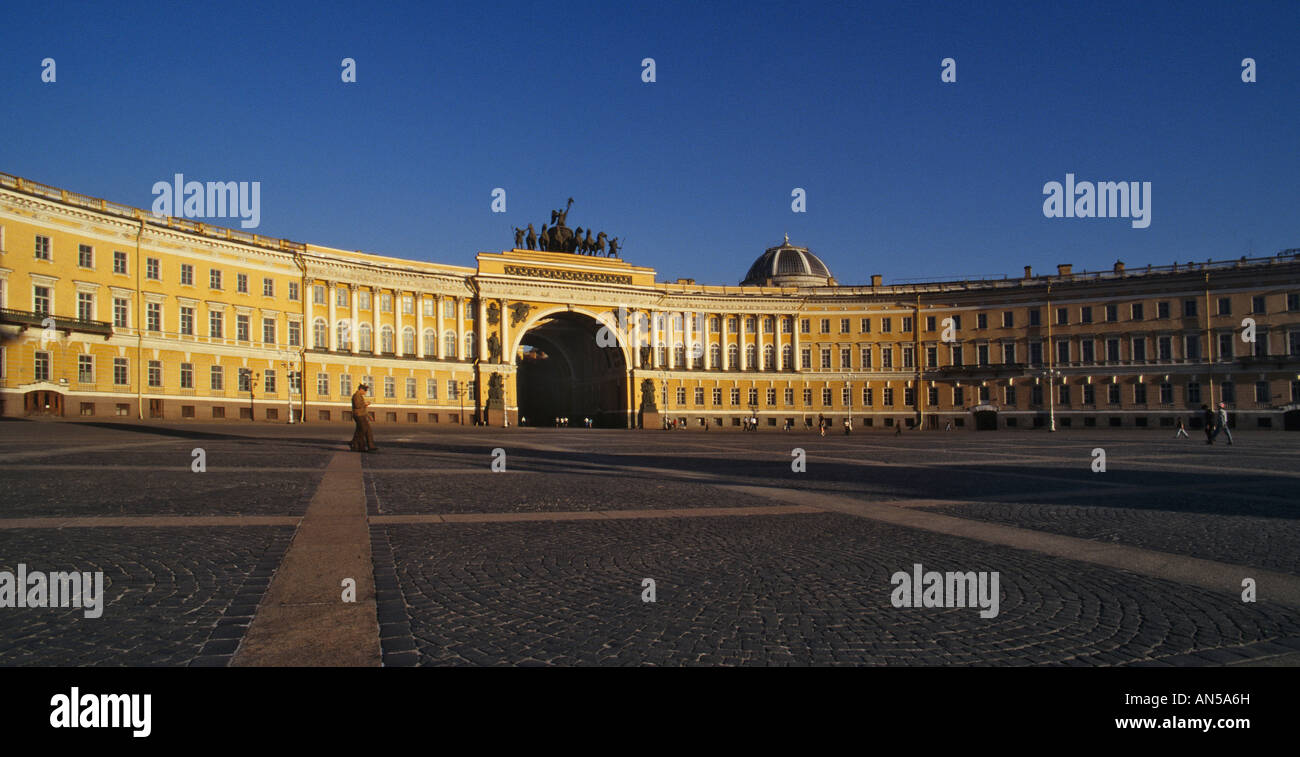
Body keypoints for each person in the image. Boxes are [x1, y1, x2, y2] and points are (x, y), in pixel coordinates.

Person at [349, 384, 377, 452]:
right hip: (358, 415)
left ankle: (366, 446)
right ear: (361, 389)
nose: (365, 393)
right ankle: (355, 443)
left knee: (365, 430)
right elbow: (357, 405)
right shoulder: (356, 396)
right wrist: (365, 404)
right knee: (363, 430)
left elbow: (362, 408)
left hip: (361, 415)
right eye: (365, 391)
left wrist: (369, 416)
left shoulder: (360, 396)